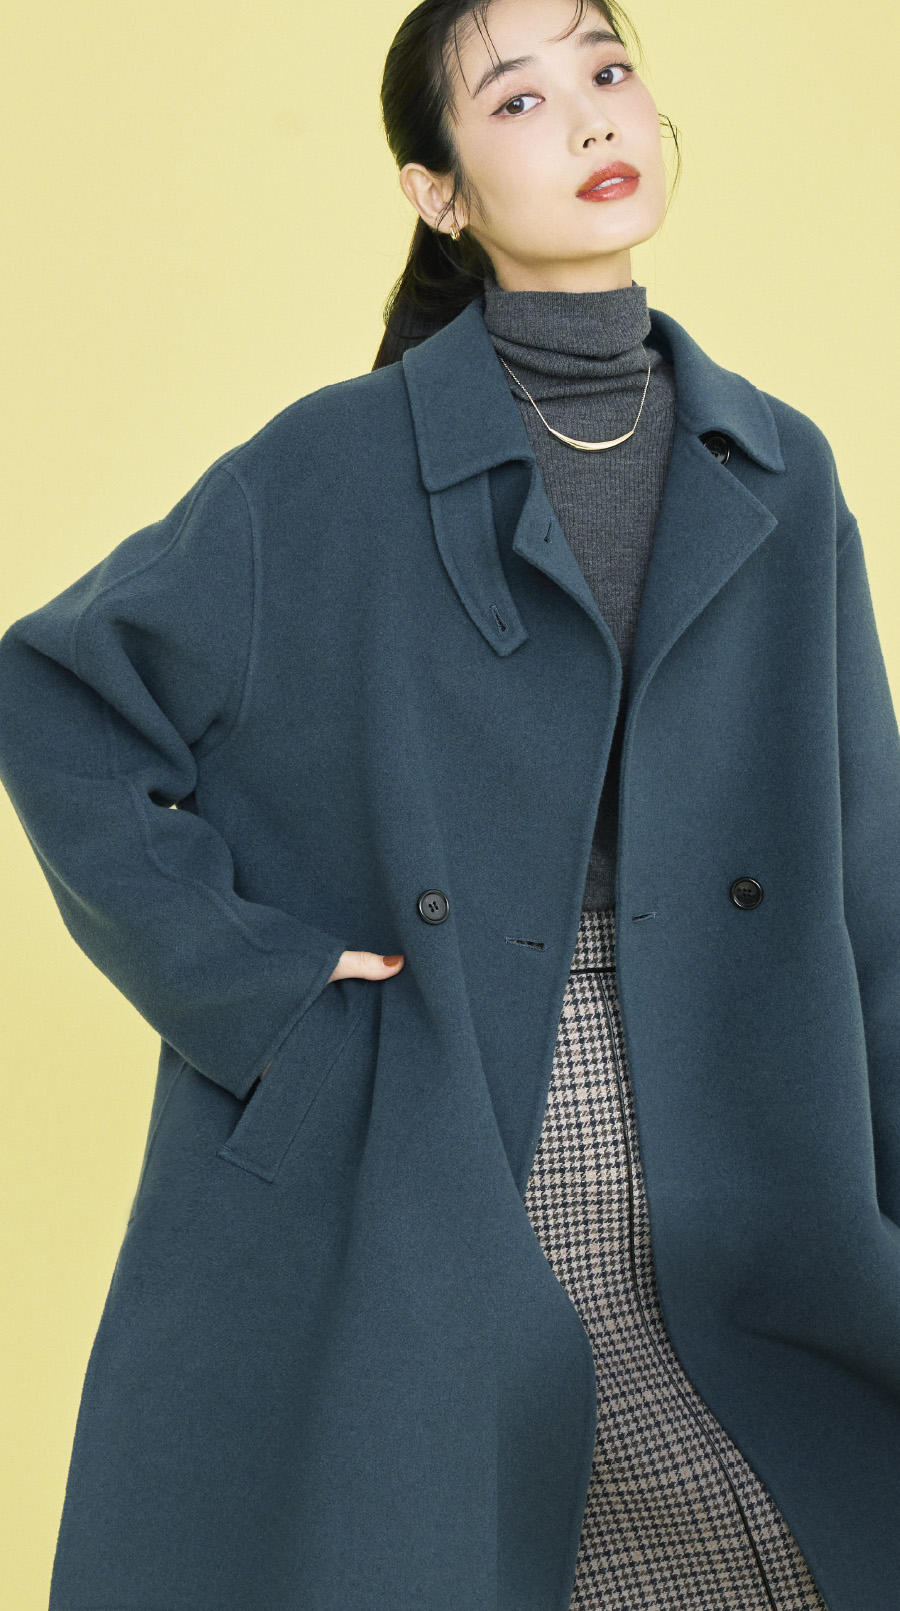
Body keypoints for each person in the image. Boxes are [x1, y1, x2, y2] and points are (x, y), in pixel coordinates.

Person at [0, 2, 897, 1608]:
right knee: (507, 1526)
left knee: (797, 1522)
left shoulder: (780, 465)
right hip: (466, 1092)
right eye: (520, 98)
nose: (592, 116)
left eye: (607, 70)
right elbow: (56, 693)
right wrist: (264, 989)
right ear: (439, 192)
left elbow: (867, 857)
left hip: (751, 1094)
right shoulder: (331, 465)